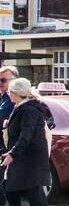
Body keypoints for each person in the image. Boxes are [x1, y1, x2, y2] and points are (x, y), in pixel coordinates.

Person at [0, 78, 50, 206]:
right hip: (23, 158)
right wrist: (9, 124)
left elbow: (26, 134)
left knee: (33, 194)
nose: (8, 94)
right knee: (10, 190)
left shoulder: (29, 109)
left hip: (29, 159)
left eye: (10, 92)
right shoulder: (21, 106)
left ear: (16, 93)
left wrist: (12, 154)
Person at [0, 65, 20, 206]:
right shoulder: (4, 97)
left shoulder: (12, 99)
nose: (0, 83)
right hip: (5, 148)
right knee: (8, 187)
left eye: (3, 80)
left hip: (11, 148)